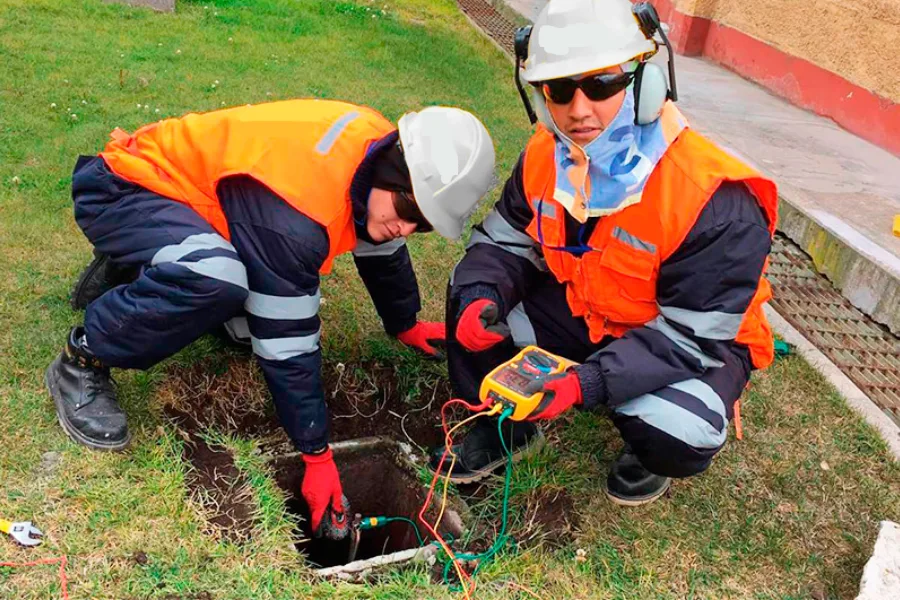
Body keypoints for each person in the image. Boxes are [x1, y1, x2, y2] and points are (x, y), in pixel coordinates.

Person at [47, 99, 496, 537]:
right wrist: (316, 458)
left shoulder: (376, 155)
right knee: (216, 281)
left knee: (237, 299)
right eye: (408, 212)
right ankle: (83, 359)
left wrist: (405, 322)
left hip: (195, 201)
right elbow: (288, 343)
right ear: (395, 173)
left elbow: (382, 246)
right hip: (126, 188)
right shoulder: (296, 214)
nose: (407, 228)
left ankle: (144, 263)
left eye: (423, 224)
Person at [431, 0, 777, 506]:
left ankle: (647, 452)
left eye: (600, 83)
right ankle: (508, 430)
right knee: (469, 290)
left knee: (677, 432)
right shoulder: (543, 157)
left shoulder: (715, 199)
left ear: (645, 83)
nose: (578, 109)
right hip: (592, 313)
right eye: (559, 89)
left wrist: (584, 384)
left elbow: (689, 336)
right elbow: (502, 242)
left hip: (695, 341)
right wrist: (482, 294)